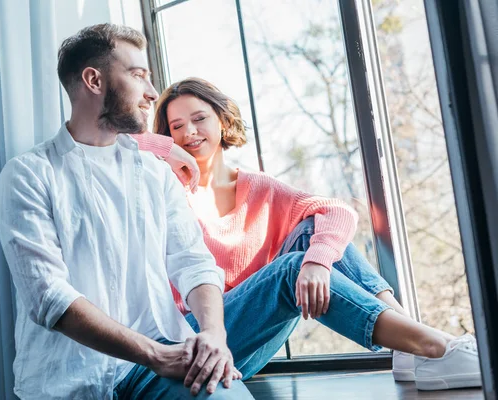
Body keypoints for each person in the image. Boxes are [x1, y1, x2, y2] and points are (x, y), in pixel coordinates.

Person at [135, 77, 482, 391]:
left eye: (199, 119)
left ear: (222, 121)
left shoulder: (259, 187)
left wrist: (317, 261)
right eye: (176, 127)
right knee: (291, 267)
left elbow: (338, 211)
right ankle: (433, 345)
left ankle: (408, 340)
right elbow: (106, 141)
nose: (189, 133)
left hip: (249, 337)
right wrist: (165, 149)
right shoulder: (164, 187)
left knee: (316, 228)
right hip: (196, 339)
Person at [0, 24, 251, 399]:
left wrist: (212, 335)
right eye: (138, 75)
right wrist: (156, 355)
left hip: (159, 368)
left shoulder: (155, 173)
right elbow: (49, 296)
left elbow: (193, 262)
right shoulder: (27, 176)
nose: (151, 93)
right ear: (94, 81)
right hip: (71, 382)